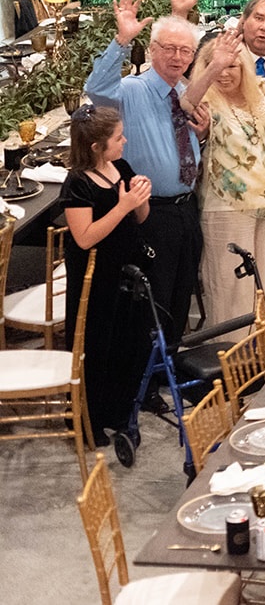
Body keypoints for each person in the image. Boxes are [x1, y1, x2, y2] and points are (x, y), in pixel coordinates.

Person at [85, 0, 211, 347]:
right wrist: (122, 41)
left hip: (188, 208)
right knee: (151, 302)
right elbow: (95, 90)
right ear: (152, 50)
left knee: (181, 294)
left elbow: (190, 142)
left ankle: (171, 365)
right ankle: (146, 381)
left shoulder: (188, 92)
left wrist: (204, 134)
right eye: (169, 49)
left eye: (185, 51)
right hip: (150, 212)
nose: (177, 57)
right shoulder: (130, 91)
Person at [191, 25, 265, 333]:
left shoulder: (259, 91)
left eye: (232, 65)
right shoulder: (204, 98)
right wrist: (213, 65)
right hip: (227, 209)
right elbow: (185, 104)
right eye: (217, 65)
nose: (226, 72)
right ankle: (232, 370)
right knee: (233, 296)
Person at [60, 106, 151, 443]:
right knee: (96, 345)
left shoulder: (121, 167)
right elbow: (84, 237)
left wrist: (140, 199)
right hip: (95, 277)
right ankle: (89, 420)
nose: (124, 141)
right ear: (96, 146)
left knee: (126, 341)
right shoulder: (78, 184)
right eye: (118, 137)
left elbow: (139, 218)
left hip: (126, 268)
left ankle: (119, 409)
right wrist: (122, 206)